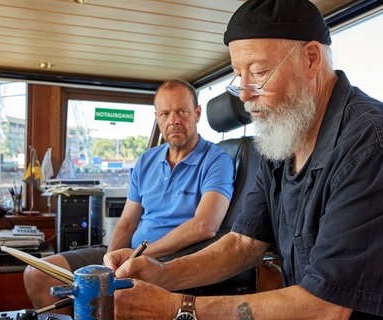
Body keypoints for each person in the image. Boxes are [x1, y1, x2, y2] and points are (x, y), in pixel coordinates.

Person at [104, 0, 383, 319]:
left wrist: (177, 309)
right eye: (238, 76)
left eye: (259, 73)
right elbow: (244, 244)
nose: (245, 96)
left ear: (311, 57)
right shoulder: (281, 140)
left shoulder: (378, 147)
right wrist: (162, 274)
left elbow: (327, 307)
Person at [23, 79, 234, 312]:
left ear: (197, 113)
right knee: (37, 275)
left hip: (172, 261)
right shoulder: (146, 161)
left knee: (113, 300)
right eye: (164, 113)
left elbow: (205, 226)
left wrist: (137, 256)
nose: (173, 120)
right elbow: (127, 223)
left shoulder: (216, 160)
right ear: (157, 118)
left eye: (182, 112)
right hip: (128, 256)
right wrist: (109, 262)